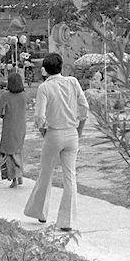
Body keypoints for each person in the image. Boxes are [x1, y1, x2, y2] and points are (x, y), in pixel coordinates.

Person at [24, 53, 89, 231]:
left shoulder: (44, 87)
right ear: (62, 67)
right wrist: (80, 130)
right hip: (71, 133)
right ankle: (67, 221)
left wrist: (43, 130)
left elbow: (39, 116)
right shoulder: (72, 82)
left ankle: (41, 212)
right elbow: (85, 107)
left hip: (54, 133)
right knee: (70, 176)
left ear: (44, 69)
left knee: (46, 173)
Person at [0, 73, 27, 188]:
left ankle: (13, 178)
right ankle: (19, 176)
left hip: (9, 126)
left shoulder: (5, 96)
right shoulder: (24, 95)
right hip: (21, 126)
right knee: (18, 150)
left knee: (9, 153)